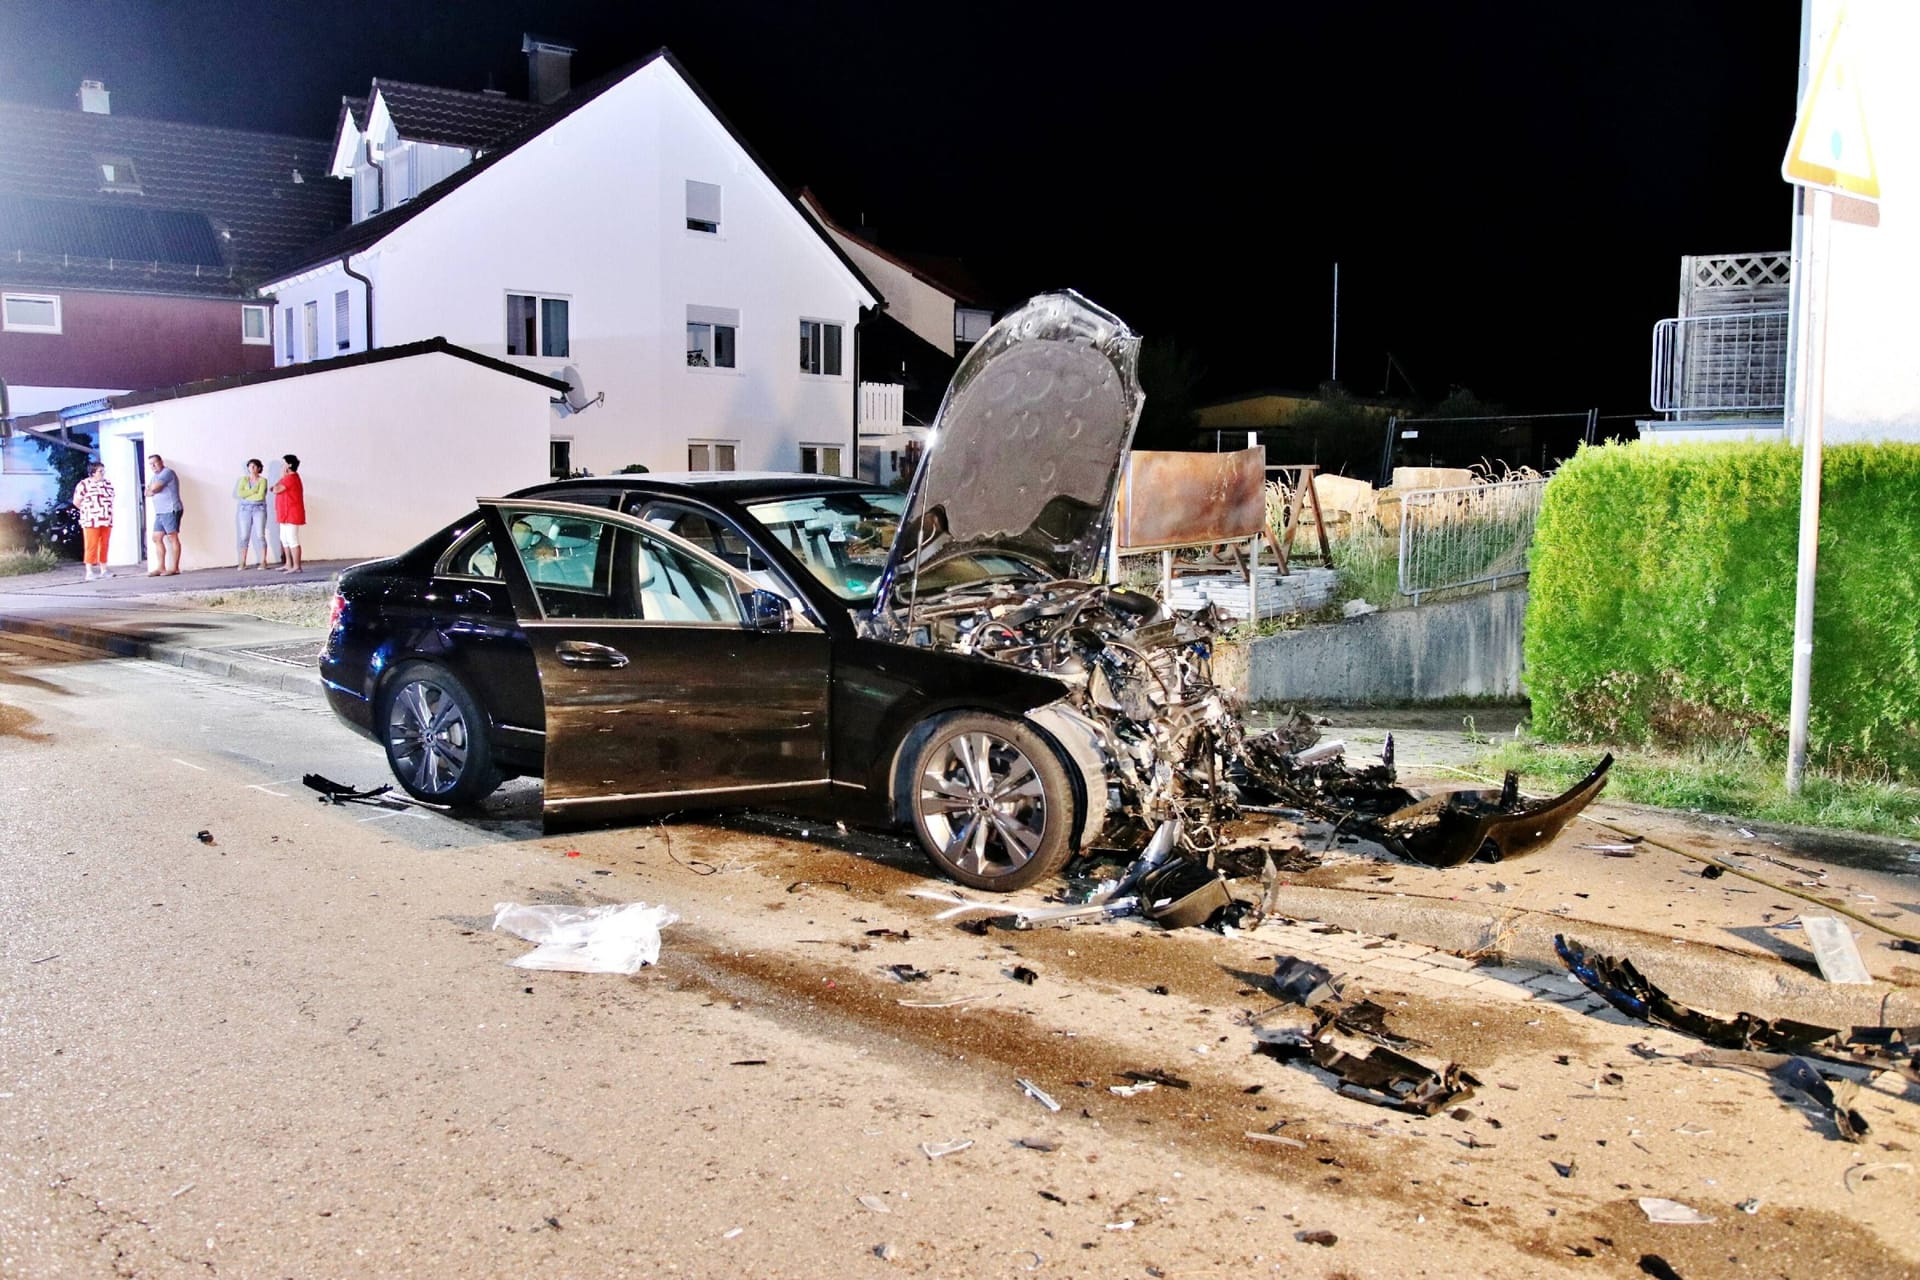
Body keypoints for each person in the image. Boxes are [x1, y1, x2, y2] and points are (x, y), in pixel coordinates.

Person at [73, 459, 115, 581]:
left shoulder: (107, 484)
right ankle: (89, 571)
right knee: (91, 545)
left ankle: (104, 569)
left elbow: (111, 498)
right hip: (91, 520)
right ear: (92, 472)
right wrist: (88, 511)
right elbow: (77, 501)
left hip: (106, 519)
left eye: (103, 470)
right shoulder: (84, 484)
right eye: (99, 471)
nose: (102, 473)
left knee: (104, 544)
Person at [146, 453, 183, 576]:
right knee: (156, 537)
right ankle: (160, 567)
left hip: (170, 510)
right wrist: (151, 489)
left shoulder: (167, 473)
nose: (153, 466)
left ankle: (175, 568)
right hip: (160, 512)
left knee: (172, 537)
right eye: (150, 464)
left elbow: (155, 488)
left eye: (155, 463)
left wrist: (152, 489)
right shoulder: (154, 476)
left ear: (161, 462)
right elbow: (147, 492)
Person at [273, 453, 306, 573]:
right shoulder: (286, 478)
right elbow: (275, 488)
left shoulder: (291, 478)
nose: (282, 466)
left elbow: (276, 489)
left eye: (283, 464)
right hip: (285, 513)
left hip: (292, 513)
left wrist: (282, 477)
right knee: (284, 538)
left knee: (292, 539)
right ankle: (288, 563)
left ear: (289, 465)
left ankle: (296, 565)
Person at [233, 458, 268, 569]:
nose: (251, 468)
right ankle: (242, 562)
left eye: (254, 466)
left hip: (259, 508)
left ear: (259, 468)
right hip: (245, 509)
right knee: (244, 536)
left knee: (260, 535)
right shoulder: (243, 479)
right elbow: (240, 493)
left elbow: (260, 496)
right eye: (250, 466)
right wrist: (254, 491)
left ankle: (263, 561)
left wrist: (248, 495)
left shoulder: (263, 480)